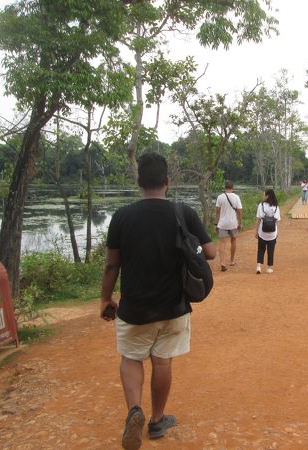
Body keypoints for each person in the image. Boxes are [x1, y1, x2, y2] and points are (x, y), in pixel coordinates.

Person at [100, 153, 216, 450]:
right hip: (174, 306)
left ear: (138, 182)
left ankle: (134, 410)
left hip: (134, 307)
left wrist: (105, 298)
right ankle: (157, 420)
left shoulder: (122, 216)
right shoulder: (183, 213)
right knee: (162, 361)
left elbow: (112, 265)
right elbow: (211, 253)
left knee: (131, 358)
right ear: (167, 181)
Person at [214, 181, 242, 272]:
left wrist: (216, 224)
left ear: (225, 187)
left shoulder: (220, 197)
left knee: (222, 242)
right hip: (233, 223)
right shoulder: (236, 197)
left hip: (222, 223)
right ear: (232, 187)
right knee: (233, 240)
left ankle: (222, 262)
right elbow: (239, 211)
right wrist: (239, 223)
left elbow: (217, 211)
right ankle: (232, 260)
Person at [255, 189, 281, 274]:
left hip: (262, 232)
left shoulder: (261, 205)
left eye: (264, 195)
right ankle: (269, 267)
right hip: (272, 233)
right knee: (271, 249)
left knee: (261, 249)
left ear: (267, 196)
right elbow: (277, 220)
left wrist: (256, 231)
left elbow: (258, 219)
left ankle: (258, 266)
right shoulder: (276, 206)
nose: (263, 196)